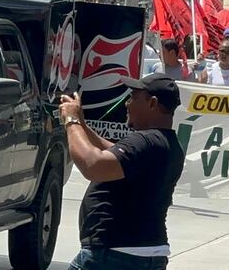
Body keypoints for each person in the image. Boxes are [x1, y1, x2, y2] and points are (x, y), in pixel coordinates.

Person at [61, 74, 184, 270]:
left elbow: (93, 164)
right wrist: (82, 126)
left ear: (152, 104)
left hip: (114, 255)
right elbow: (113, 154)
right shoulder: (166, 144)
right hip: (147, 252)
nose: (127, 103)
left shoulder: (145, 141)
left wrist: (72, 121)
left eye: (134, 97)